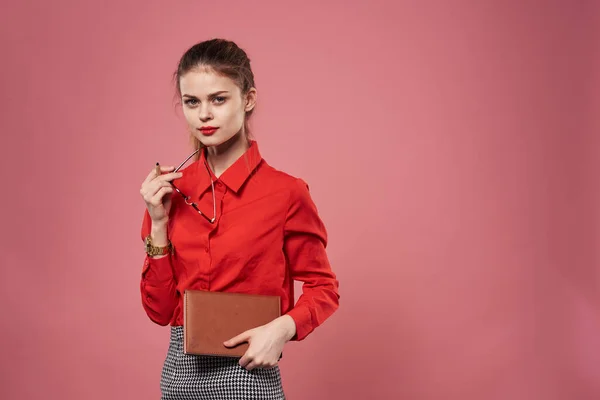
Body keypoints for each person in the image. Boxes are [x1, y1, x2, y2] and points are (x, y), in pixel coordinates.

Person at [138, 38, 340, 400]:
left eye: (219, 99)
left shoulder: (286, 193)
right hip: (178, 376)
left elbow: (324, 289)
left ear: (247, 100)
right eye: (192, 102)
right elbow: (161, 310)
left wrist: (281, 329)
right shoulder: (170, 193)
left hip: (247, 375)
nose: (204, 115)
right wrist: (157, 224)